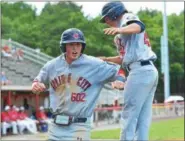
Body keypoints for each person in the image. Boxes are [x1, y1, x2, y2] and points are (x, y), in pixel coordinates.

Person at [31, 28, 122, 140]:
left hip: (80, 126)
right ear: (64, 47)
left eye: (78, 44)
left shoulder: (94, 64)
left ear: (82, 47)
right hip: (55, 126)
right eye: (71, 44)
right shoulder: (52, 65)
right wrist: (36, 85)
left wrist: (120, 80)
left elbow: (118, 71)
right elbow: (38, 80)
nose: (75, 48)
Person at [100, 2, 159, 140]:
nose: (106, 21)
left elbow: (139, 26)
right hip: (146, 70)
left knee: (129, 115)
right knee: (143, 118)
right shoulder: (119, 35)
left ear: (115, 13)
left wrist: (120, 30)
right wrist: (106, 59)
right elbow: (124, 58)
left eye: (107, 18)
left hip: (140, 71)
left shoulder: (127, 18)